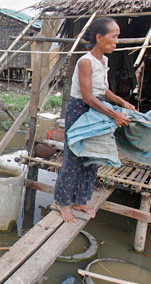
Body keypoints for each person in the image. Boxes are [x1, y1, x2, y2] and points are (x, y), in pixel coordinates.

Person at [54, 17, 136, 223]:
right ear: (99, 38)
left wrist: (121, 102)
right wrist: (115, 114)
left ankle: (81, 200)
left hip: (97, 107)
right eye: (114, 37)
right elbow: (88, 97)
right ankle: (63, 203)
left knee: (92, 157)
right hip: (80, 109)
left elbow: (103, 90)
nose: (117, 41)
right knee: (74, 157)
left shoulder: (103, 61)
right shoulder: (85, 62)